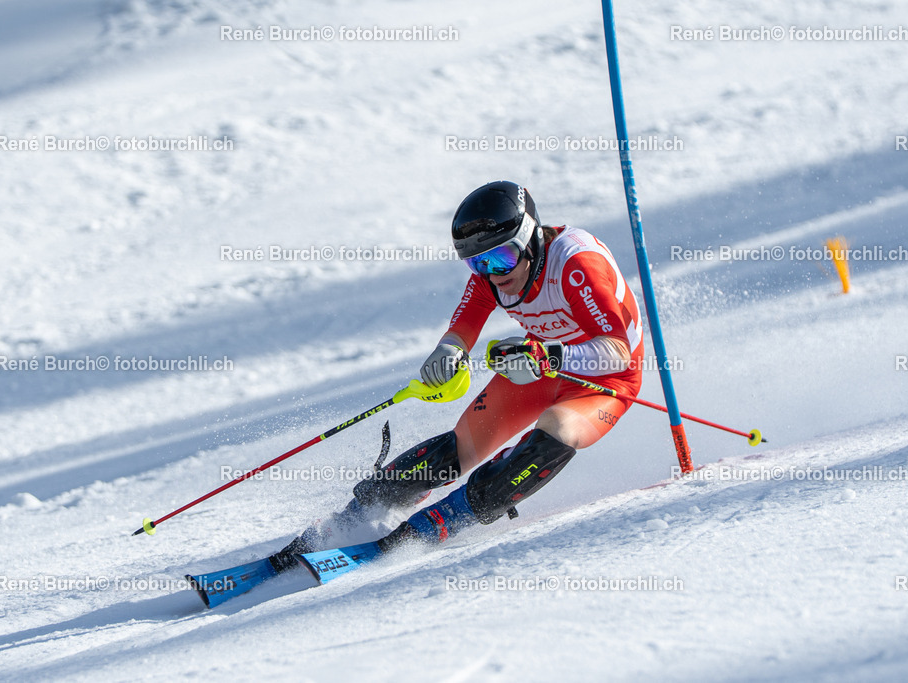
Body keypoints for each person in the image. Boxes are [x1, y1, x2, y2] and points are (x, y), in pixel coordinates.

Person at [270, 180, 645, 571]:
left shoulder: (576, 266)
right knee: (464, 443)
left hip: (604, 381)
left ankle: (438, 523)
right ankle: (353, 517)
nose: (492, 273)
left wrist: (549, 355)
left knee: (557, 428)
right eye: (477, 263)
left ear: (530, 238)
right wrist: (449, 352)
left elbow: (618, 354)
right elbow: (463, 327)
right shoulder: (492, 274)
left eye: (501, 258)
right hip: (541, 365)